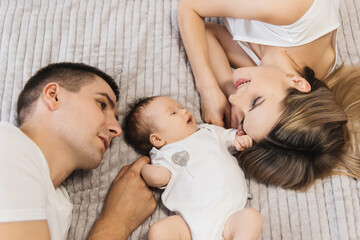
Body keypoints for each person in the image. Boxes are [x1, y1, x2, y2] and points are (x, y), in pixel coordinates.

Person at [177, 0, 360, 189]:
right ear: (298, 83)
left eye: (243, 120)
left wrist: (228, 90)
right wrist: (207, 89)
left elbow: (206, 33)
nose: (235, 100)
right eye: (256, 101)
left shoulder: (272, 71)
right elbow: (190, 6)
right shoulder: (292, 10)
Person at [0, 62, 156, 240]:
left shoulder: (60, 204)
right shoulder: (8, 145)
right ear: (54, 96)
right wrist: (116, 222)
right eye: (102, 104)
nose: (117, 130)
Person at [122, 96, 262, 240]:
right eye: (173, 113)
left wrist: (240, 140)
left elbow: (231, 137)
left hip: (230, 216)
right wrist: (144, 169)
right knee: (159, 231)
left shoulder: (208, 131)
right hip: (191, 222)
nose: (184, 111)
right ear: (157, 139)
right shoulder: (165, 155)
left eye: (181, 107)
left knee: (251, 217)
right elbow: (158, 178)